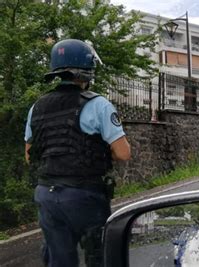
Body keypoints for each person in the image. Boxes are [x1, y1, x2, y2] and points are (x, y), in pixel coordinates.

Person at [24, 39, 131, 267]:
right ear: (87, 71)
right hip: (84, 195)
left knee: (59, 260)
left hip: (46, 194)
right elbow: (122, 153)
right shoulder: (98, 104)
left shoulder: (37, 107)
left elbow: (30, 155)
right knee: (100, 256)